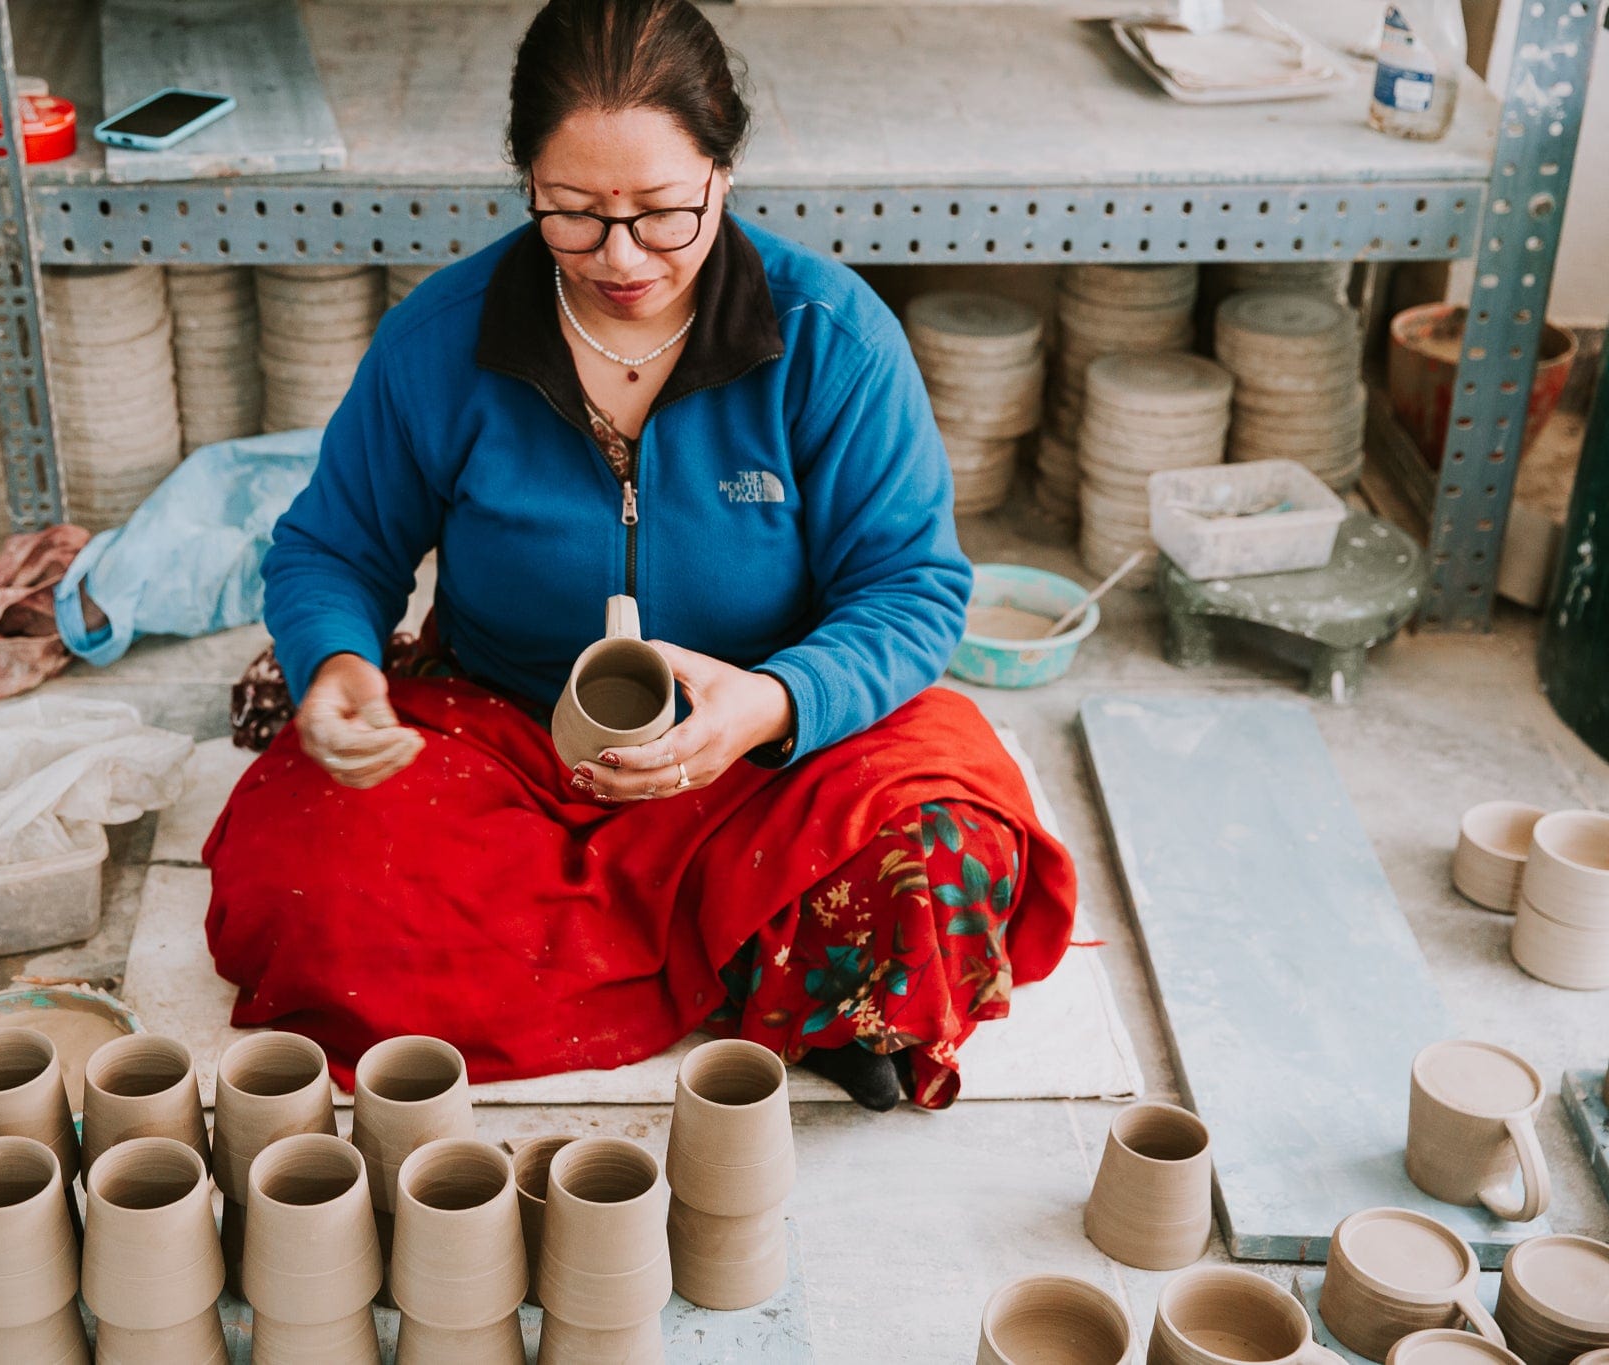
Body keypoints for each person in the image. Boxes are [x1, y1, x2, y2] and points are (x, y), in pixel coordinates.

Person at [203, 0, 1076, 1111]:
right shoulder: (443, 337)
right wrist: (336, 664)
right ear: (525, 181)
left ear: (725, 170)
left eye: (663, 213)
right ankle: (766, 970)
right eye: (571, 215)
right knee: (305, 882)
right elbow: (335, 546)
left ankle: (650, 954)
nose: (619, 259)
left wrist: (767, 704)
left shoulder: (830, 341)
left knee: (942, 853)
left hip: (774, 754)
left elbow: (908, 590)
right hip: (510, 747)